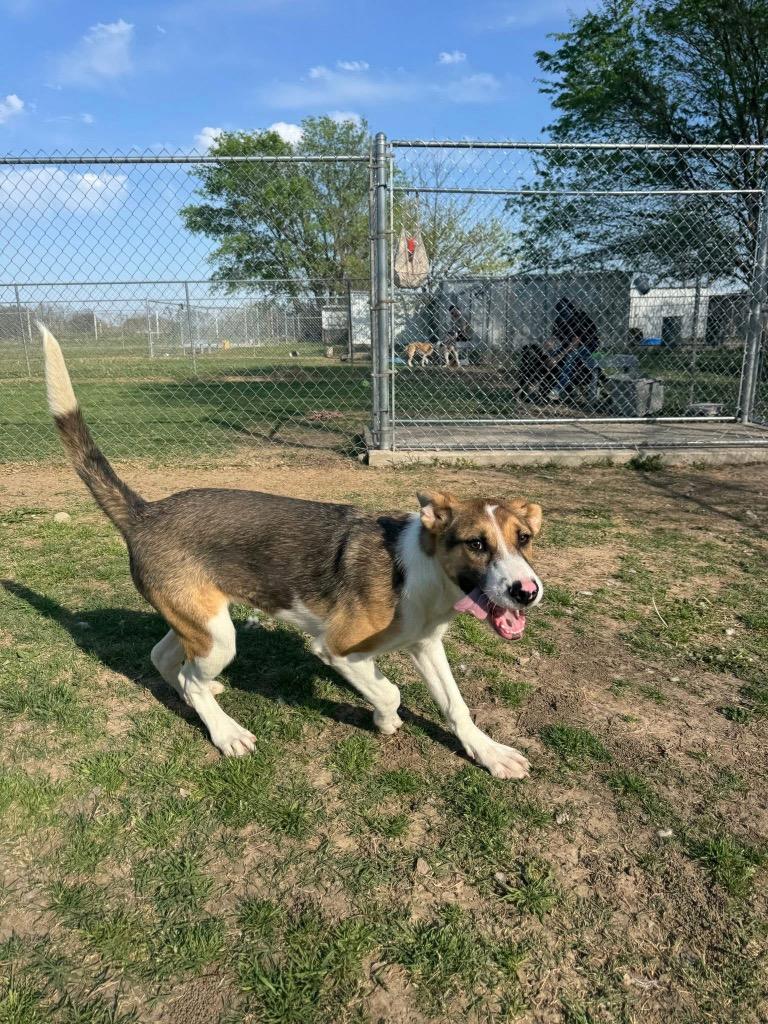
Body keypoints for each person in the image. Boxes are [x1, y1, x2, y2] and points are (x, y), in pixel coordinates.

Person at [550, 298, 599, 401]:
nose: (563, 315)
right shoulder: (560, 320)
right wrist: (549, 346)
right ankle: (560, 388)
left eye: (565, 311)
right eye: (561, 312)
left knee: (571, 357)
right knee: (551, 354)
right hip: (569, 345)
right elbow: (553, 338)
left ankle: (558, 389)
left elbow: (575, 343)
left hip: (587, 346)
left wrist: (558, 356)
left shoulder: (578, 318)